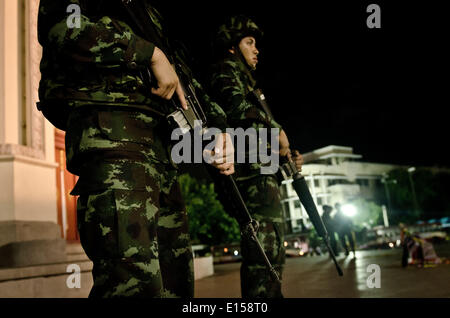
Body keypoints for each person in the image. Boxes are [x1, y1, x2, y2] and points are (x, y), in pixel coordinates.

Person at [38, 0, 234, 297]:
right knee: (132, 285)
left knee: (175, 284)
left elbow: (180, 77)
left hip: (162, 151)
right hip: (114, 139)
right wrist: (147, 53)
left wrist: (218, 128)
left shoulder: (147, 10)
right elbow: (63, 27)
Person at [209, 15, 304, 298]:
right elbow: (237, 111)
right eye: (249, 42)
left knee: (272, 252)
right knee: (263, 253)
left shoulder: (248, 80)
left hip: (263, 174)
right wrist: (277, 130)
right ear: (232, 46)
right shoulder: (226, 69)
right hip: (251, 176)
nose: (256, 49)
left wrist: (290, 157)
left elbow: (263, 135)